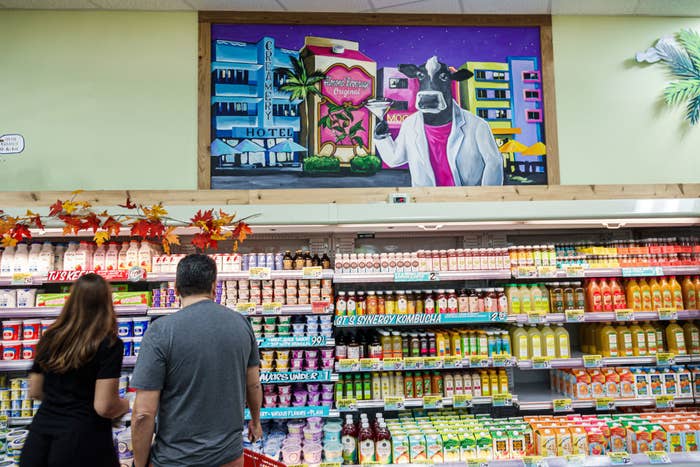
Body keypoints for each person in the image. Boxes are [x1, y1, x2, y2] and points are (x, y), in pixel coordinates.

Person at [131, 254, 262, 467]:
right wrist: (255, 422)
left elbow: (143, 414)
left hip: (175, 460)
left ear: (176, 288)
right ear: (213, 287)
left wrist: (139, 462)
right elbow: (253, 384)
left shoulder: (160, 331)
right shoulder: (241, 324)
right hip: (229, 458)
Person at [20, 273, 129, 467]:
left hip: (40, 438)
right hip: (82, 444)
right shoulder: (109, 344)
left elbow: (35, 390)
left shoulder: (50, 337)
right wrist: (125, 405)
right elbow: (104, 406)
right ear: (106, 303)